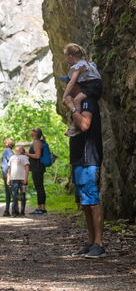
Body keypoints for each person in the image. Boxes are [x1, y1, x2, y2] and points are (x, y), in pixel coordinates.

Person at [63, 93, 105, 258]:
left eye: (70, 84)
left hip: (89, 159)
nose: (68, 89)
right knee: (85, 203)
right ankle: (90, 242)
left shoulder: (88, 102)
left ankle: (99, 244)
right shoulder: (79, 104)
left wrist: (72, 107)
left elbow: (85, 124)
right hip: (78, 160)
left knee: (93, 201)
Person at [62, 43, 102, 137]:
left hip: (91, 86)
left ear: (70, 56)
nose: (65, 59)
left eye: (65, 56)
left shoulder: (79, 66)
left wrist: (64, 96)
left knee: (76, 100)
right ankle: (75, 125)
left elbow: (72, 82)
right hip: (96, 86)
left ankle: (75, 126)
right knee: (77, 100)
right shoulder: (88, 63)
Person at [27, 128, 47, 215]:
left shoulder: (36, 142)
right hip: (38, 167)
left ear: (35, 133)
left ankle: (41, 208)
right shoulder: (37, 141)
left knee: (39, 187)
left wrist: (27, 154)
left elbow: (37, 155)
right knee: (40, 187)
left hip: (37, 168)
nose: (30, 132)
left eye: (32, 131)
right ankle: (41, 207)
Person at [7, 146, 30, 217]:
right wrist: (8, 178)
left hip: (22, 179)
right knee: (14, 196)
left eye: (18, 148)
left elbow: (27, 169)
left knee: (23, 196)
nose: (16, 149)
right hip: (14, 179)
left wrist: (26, 178)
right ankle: (14, 212)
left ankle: (22, 212)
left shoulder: (24, 157)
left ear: (22, 151)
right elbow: (9, 169)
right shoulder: (11, 157)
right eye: (16, 149)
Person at [0, 138, 15, 216]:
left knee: (10, 192)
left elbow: (11, 162)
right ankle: (7, 210)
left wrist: (8, 175)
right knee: (9, 192)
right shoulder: (10, 151)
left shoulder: (7, 150)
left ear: (8, 144)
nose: (4, 143)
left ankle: (13, 210)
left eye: (5, 142)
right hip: (7, 173)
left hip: (7, 173)